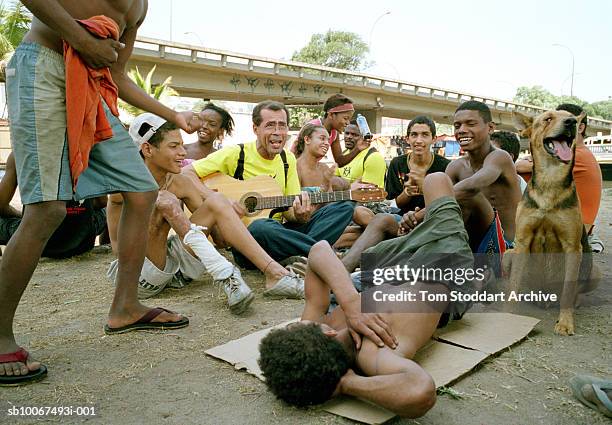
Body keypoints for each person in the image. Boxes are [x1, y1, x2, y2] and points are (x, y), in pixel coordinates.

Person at [0, 0, 201, 385]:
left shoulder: (139, 7)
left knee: (142, 189)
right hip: (41, 64)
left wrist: (174, 117)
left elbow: (117, 74)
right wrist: (78, 37)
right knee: (46, 209)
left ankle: (125, 306)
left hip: (91, 84)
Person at [258, 173, 475, 417]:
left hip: (390, 271)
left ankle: (414, 223)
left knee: (383, 224)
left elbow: (320, 250)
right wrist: (347, 384)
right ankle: (422, 221)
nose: (296, 324)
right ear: (327, 333)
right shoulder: (375, 354)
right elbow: (421, 392)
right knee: (436, 180)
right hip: (443, 267)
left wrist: (351, 305)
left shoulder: (319, 325)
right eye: (295, 327)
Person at [107, 113, 308, 316]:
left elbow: (220, 240)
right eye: (174, 146)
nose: (182, 152)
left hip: (176, 269)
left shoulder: (180, 182)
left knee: (217, 201)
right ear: (148, 149)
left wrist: (229, 215)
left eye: (182, 145)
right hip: (137, 274)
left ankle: (275, 274)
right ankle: (224, 273)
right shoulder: (124, 185)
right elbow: (123, 245)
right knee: (163, 201)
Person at [183, 100, 354, 296]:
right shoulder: (236, 153)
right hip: (249, 243)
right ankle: (326, 258)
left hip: (280, 234)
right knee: (261, 226)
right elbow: (187, 173)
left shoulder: (286, 159)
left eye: (282, 125)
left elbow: (290, 213)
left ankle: (301, 255)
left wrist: (301, 215)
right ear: (255, 128)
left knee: (344, 207)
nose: (277, 132)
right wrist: (218, 199)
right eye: (270, 125)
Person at [404, 101, 521, 254]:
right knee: (434, 180)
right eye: (457, 126)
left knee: (469, 197)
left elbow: (470, 188)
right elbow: (439, 208)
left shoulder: (500, 157)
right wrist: (412, 219)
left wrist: (418, 216)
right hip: (468, 242)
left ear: (490, 128)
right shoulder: (455, 166)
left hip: (503, 248)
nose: (462, 130)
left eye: (470, 124)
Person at [514, 104, 604, 252]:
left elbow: (519, 168)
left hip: (573, 226)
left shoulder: (576, 156)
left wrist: (528, 160)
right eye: (550, 120)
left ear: (579, 127)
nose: (562, 122)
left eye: (570, 120)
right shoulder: (574, 153)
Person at [0, 153, 107, 259]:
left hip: (35, 242)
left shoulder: (20, 154)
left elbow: (1, 207)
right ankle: (108, 249)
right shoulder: (85, 150)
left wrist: (21, 216)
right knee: (112, 208)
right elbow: (102, 202)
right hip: (82, 241)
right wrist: (76, 208)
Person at [386, 116, 450, 215]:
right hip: (400, 221)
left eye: (425, 135)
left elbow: (447, 206)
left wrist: (425, 187)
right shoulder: (397, 164)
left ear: (434, 139)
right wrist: (407, 193)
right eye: (414, 135)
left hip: (432, 220)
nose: (419, 140)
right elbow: (391, 206)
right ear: (407, 139)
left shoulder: (446, 166)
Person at [305, 94, 368, 167]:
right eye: (345, 118)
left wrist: (358, 148)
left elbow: (339, 161)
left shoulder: (334, 133)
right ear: (331, 115)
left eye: (349, 119)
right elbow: (296, 157)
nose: (348, 123)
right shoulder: (311, 128)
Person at [334, 122, 387, 189]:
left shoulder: (373, 158)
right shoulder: (343, 155)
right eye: (347, 133)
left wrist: (344, 187)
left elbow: (369, 193)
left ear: (364, 137)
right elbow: (333, 182)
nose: (349, 137)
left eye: (354, 135)